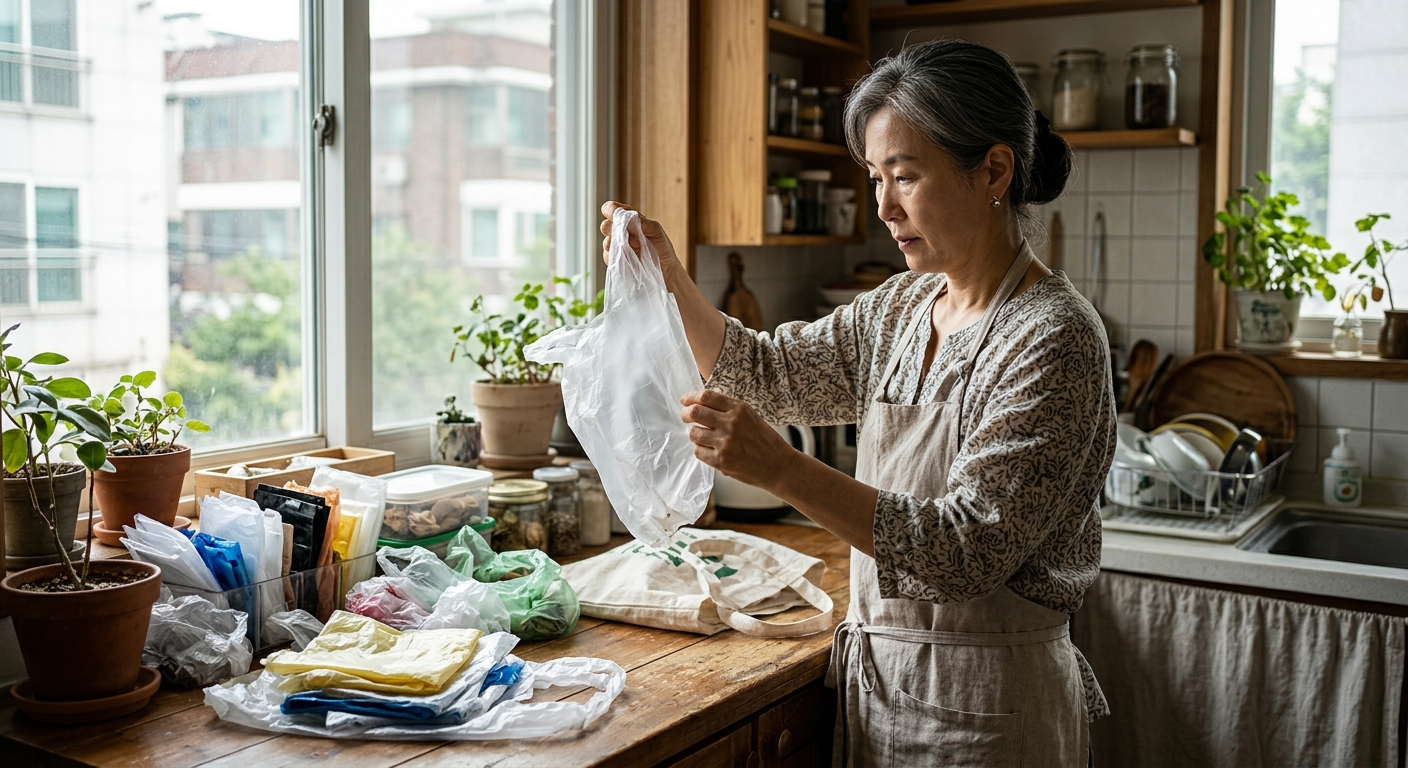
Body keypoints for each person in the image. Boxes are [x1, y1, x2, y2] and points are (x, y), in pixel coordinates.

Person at [601, 38, 1114, 768]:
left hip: (995, 711)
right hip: (882, 694)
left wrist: (780, 471)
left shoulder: (1052, 336)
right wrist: (668, 275)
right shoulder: (903, 307)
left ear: (993, 169)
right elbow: (770, 372)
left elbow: (962, 552)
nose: (883, 205)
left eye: (905, 175)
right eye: (876, 176)